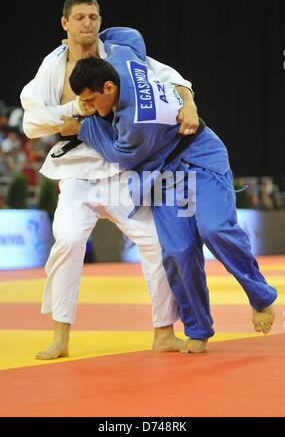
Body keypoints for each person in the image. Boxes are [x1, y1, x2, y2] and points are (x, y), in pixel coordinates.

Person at [20, 0, 202, 360]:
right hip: (76, 170)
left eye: (94, 17)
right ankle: (60, 336)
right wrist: (74, 110)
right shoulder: (53, 66)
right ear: (65, 23)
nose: (88, 23)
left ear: (100, 21)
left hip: (120, 167)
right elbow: (30, 122)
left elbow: (170, 77)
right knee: (68, 241)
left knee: (154, 242)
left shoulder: (121, 53)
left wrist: (189, 104)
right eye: (80, 17)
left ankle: (164, 332)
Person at [68, 31, 277, 344]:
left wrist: (86, 128)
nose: (86, 105)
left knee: (214, 229)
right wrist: (98, 38)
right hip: (163, 176)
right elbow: (130, 35)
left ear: (108, 87)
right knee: (178, 250)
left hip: (198, 155)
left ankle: (260, 297)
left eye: (90, 99)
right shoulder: (122, 58)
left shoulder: (134, 120)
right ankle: (197, 329)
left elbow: (121, 156)